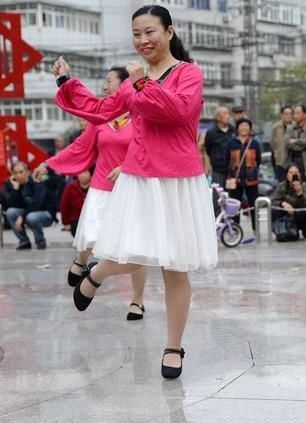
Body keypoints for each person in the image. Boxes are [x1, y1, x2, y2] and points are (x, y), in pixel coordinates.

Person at [52, 5, 218, 379]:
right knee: (132, 253)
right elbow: (100, 109)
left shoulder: (188, 73)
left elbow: (176, 112)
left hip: (179, 179)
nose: (143, 41)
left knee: (175, 267)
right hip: (140, 177)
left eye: (150, 32)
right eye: (137, 34)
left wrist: (143, 83)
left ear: (169, 32)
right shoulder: (130, 83)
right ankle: (96, 275)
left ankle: (174, 346)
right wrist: (67, 84)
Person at [34, 66, 150, 321]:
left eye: (109, 81)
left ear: (124, 85)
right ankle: (83, 259)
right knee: (92, 239)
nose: (105, 86)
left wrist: (127, 166)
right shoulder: (102, 119)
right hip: (101, 189)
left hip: (132, 190)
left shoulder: (140, 113)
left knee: (135, 248)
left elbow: (149, 147)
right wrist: (49, 164)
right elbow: (80, 148)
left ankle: (137, 301)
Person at [1, 161, 55, 250]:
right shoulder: (14, 185)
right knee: (11, 212)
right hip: (28, 213)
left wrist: (22, 216)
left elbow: (36, 204)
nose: (18, 175)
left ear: (28, 172)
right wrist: (16, 190)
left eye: (21, 172)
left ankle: (40, 241)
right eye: (15, 173)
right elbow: (9, 205)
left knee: (31, 216)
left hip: (45, 213)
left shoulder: (36, 183)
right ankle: (24, 241)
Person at [225, 117, 261, 231]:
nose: (244, 128)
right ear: (237, 128)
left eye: (246, 126)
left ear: (250, 128)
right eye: (241, 126)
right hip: (236, 180)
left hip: (252, 179)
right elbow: (227, 160)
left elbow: (258, 160)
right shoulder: (231, 143)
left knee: (253, 205)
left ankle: (256, 230)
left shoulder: (255, 143)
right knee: (235, 206)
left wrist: (252, 170)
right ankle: (235, 230)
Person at [270, 164, 306, 240]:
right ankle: (279, 230)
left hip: (300, 212)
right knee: (274, 211)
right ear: (287, 175)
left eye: (296, 172)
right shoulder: (282, 186)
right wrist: (283, 204)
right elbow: (273, 200)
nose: (293, 175)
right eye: (291, 172)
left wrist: (299, 193)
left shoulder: (305, 186)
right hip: (286, 212)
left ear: (300, 174)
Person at [285, 104, 306, 190]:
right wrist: (302, 145)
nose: (295, 116)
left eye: (298, 113)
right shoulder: (290, 128)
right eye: (294, 113)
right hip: (294, 160)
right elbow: (287, 143)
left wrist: (296, 141)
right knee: (293, 188)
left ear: (305, 115)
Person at [202, 106, 235, 187]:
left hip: (233, 170)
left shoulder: (234, 131)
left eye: (228, 113)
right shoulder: (211, 133)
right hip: (218, 170)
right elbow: (208, 150)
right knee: (218, 195)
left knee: (232, 197)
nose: (227, 116)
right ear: (218, 117)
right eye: (224, 114)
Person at [59, 170, 91, 237]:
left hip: (91, 218)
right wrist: (65, 223)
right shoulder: (70, 187)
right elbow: (64, 205)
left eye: (85, 172)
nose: (82, 175)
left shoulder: (95, 187)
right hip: (75, 219)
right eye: (80, 173)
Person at [271, 105, 293, 182]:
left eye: (290, 114)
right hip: (280, 161)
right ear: (282, 115)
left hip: (293, 161)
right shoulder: (276, 127)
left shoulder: (295, 126)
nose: (288, 116)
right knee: (282, 185)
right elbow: (272, 144)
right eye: (286, 114)